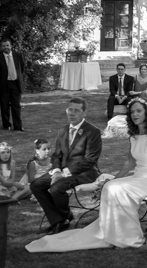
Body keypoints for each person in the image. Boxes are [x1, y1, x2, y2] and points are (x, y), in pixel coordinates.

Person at [27, 98, 147, 251]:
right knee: (109, 187)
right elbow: (129, 163)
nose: (135, 114)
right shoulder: (133, 136)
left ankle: (131, 237)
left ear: (146, 113)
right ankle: (114, 234)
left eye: (139, 111)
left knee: (116, 189)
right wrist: (114, 179)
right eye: (132, 112)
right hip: (137, 177)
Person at [30, 98, 102, 235]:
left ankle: (65, 217)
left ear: (84, 113)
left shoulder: (93, 132)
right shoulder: (62, 131)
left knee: (56, 188)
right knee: (36, 185)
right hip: (62, 171)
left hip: (84, 173)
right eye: (70, 109)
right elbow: (57, 155)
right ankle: (59, 220)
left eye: (77, 110)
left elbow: (90, 160)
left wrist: (64, 173)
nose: (72, 113)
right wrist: (57, 170)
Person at [0, 39, 26, 132]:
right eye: (4, 46)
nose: (6, 47)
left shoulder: (18, 55)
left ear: (11, 46)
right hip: (3, 85)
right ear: (1, 47)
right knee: (4, 106)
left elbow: (22, 68)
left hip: (15, 84)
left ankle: (18, 126)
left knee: (16, 106)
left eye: (7, 45)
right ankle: (6, 125)